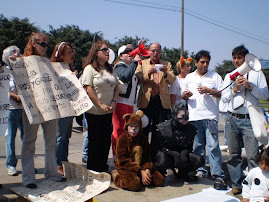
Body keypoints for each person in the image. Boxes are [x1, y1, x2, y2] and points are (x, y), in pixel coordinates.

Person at [221, 45, 269, 195]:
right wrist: (234, 90)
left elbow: (265, 95)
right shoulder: (230, 75)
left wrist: (250, 87)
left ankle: (256, 187)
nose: (236, 61)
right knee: (233, 155)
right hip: (231, 118)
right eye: (234, 58)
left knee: (253, 156)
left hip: (249, 120)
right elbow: (223, 97)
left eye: (239, 58)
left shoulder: (257, 73)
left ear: (246, 59)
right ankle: (237, 185)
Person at [21, 32, 64, 188]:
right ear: (33, 44)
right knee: (29, 142)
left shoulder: (48, 62)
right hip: (32, 107)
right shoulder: (23, 61)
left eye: (47, 44)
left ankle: (51, 173)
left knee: (51, 142)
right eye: (42, 44)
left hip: (50, 107)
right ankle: (28, 178)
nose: (45, 48)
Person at [182, 50, 226, 187]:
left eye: (207, 62)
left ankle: (217, 174)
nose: (205, 64)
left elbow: (223, 94)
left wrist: (209, 90)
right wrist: (186, 95)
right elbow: (183, 96)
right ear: (195, 63)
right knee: (198, 146)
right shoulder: (189, 77)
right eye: (202, 62)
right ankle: (200, 170)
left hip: (210, 117)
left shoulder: (215, 76)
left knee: (213, 146)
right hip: (195, 117)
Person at [81, 40, 119, 172]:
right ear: (96, 53)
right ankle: (93, 169)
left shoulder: (110, 69)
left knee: (105, 141)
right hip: (94, 112)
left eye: (108, 49)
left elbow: (117, 86)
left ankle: (103, 167)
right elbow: (88, 88)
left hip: (108, 112)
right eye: (104, 50)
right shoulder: (89, 69)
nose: (108, 52)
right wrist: (100, 104)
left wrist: (114, 102)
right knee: (95, 142)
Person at [135, 43, 176, 161]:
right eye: (153, 51)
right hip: (146, 102)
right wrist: (148, 74)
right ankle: (143, 158)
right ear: (149, 51)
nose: (155, 53)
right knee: (144, 130)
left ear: (160, 52)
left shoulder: (166, 64)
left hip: (161, 102)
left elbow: (173, 79)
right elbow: (138, 78)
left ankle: (155, 158)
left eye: (157, 51)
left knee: (158, 132)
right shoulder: (142, 63)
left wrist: (166, 73)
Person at [111, 110, 165, 191]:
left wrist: (147, 169)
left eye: (136, 126)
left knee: (160, 180)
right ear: (127, 127)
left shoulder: (143, 138)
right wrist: (140, 171)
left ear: (140, 127)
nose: (133, 128)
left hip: (141, 166)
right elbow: (122, 161)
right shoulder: (121, 139)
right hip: (126, 167)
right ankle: (116, 175)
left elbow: (147, 156)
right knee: (135, 185)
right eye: (131, 126)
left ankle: (141, 178)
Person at [155, 104, 204, 182]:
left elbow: (189, 146)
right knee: (162, 160)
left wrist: (184, 153)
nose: (185, 118)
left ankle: (183, 172)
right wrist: (173, 153)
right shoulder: (163, 128)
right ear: (175, 115)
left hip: (182, 154)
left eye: (187, 115)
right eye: (182, 115)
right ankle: (161, 172)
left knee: (199, 159)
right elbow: (158, 147)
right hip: (168, 154)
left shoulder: (192, 129)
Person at [50, 42, 75, 175]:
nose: (73, 54)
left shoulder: (69, 68)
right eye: (69, 52)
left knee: (66, 136)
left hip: (70, 107)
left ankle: (63, 161)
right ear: (61, 55)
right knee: (60, 136)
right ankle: (58, 163)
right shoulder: (53, 69)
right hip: (60, 108)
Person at [112, 44, 141, 155]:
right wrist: (134, 63)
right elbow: (124, 77)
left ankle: (123, 154)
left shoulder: (130, 66)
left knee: (126, 130)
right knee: (119, 129)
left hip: (129, 103)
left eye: (131, 51)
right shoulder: (119, 66)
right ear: (120, 56)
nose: (130, 53)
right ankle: (116, 155)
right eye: (127, 51)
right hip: (120, 101)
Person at [2, 45, 23, 176]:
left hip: (23, 109)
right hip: (10, 109)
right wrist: (16, 97)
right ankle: (11, 164)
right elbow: (4, 90)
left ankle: (28, 164)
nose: (19, 56)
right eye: (16, 54)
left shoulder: (22, 71)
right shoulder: (3, 72)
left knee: (26, 138)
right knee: (10, 138)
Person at [219, 68, 234, 152]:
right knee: (226, 127)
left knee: (231, 128)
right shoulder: (224, 82)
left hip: (231, 109)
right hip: (225, 109)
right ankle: (226, 143)